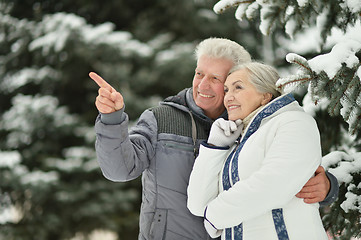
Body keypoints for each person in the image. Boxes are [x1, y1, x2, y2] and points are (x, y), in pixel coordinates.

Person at [90, 38, 338, 240]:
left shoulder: (250, 127)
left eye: (216, 79)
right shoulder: (162, 118)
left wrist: (327, 186)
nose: (202, 85)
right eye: (199, 73)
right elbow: (119, 170)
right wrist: (111, 119)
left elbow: (285, 168)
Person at [187, 62, 329, 239]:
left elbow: (275, 183)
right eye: (226, 90)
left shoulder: (294, 122)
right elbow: (198, 205)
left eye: (237, 87)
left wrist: (216, 215)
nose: (228, 97)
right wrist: (216, 147)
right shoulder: (238, 141)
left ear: (265, 96)